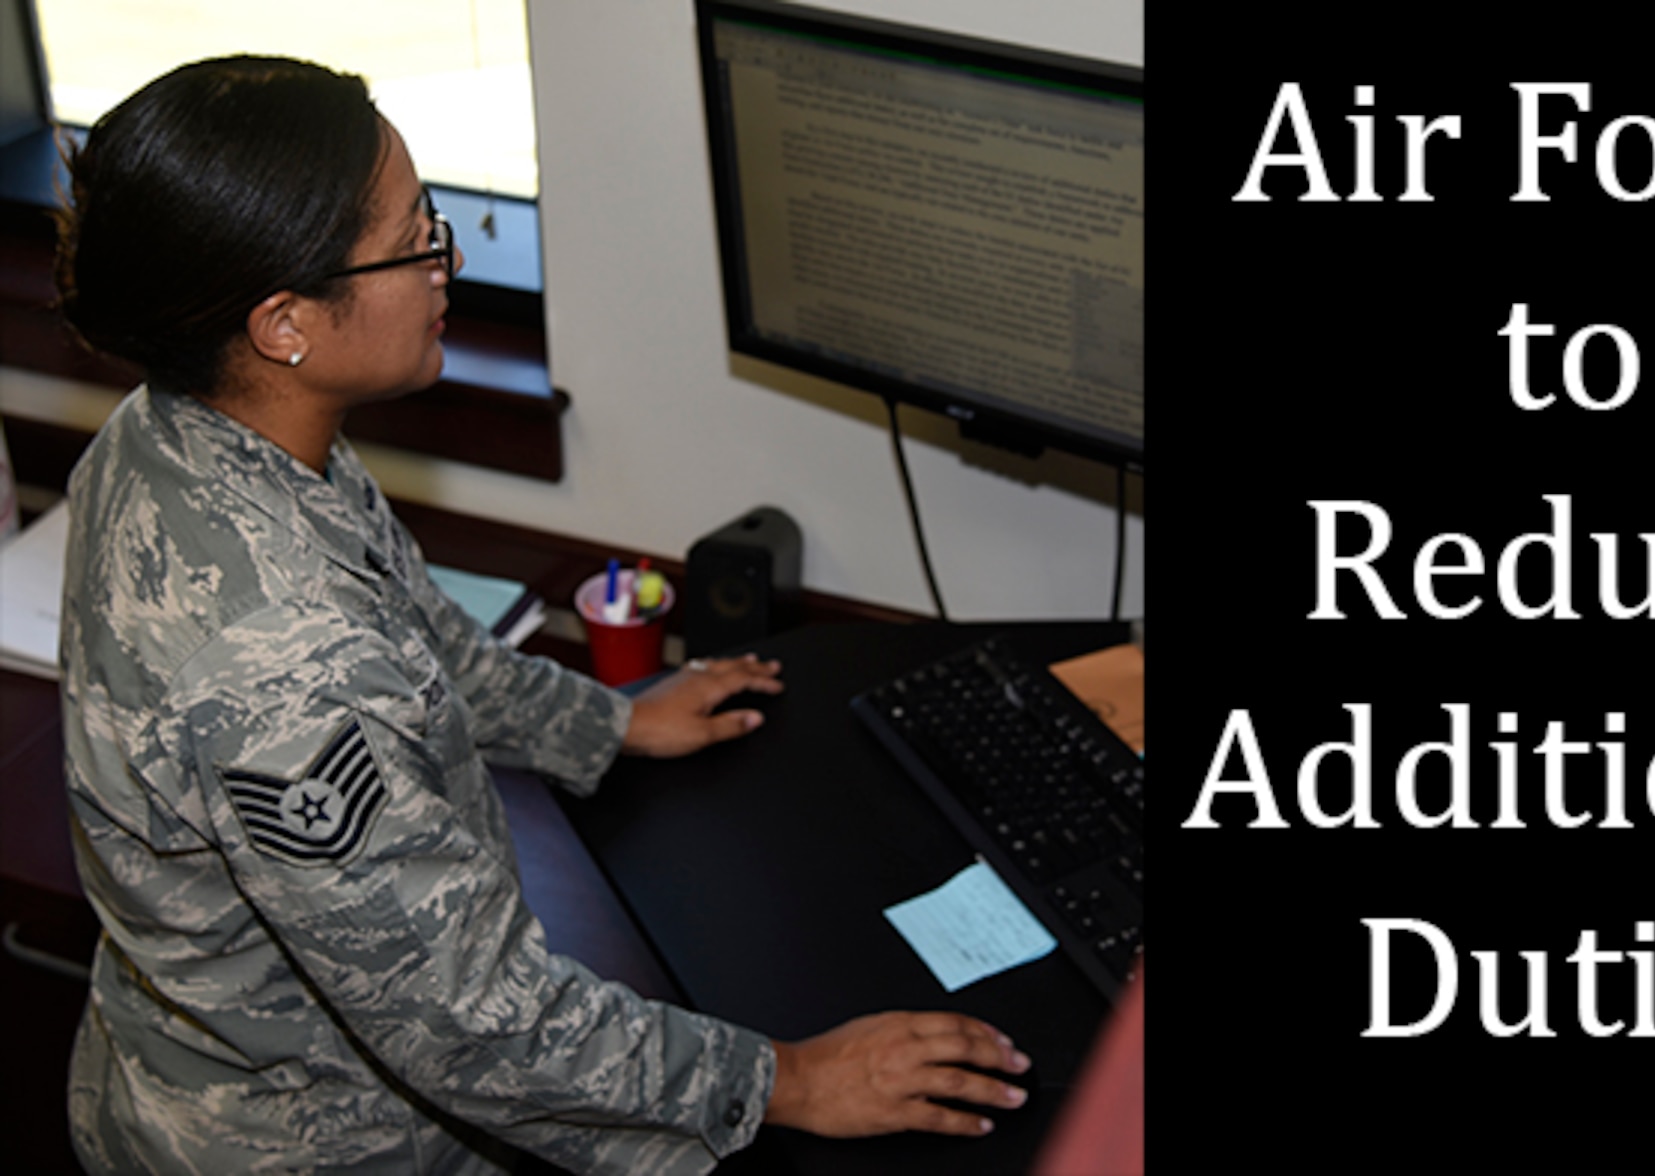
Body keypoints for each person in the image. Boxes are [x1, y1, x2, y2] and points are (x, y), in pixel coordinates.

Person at [54, 56, 1030, 1175]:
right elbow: (471, 1026)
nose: (446, 258)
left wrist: (607, 724)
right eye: (412, 236)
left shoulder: (182, 427)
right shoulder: (288, 674)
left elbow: (410, 628)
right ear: (285, 323)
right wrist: (789, 1080)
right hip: (317, 1144)